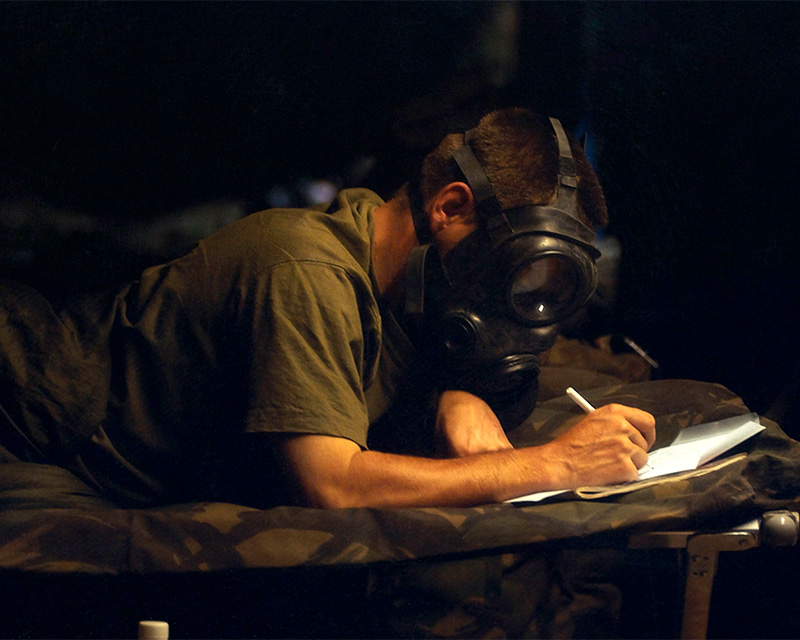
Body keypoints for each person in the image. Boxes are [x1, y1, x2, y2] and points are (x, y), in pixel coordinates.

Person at [0, 108, 655, 509]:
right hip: (39, 437)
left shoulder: (402, 279)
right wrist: (549, 465)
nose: (513, 313)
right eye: (512, 277)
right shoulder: (305, 272)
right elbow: (331, 485)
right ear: (451, 208)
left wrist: (449, 397)